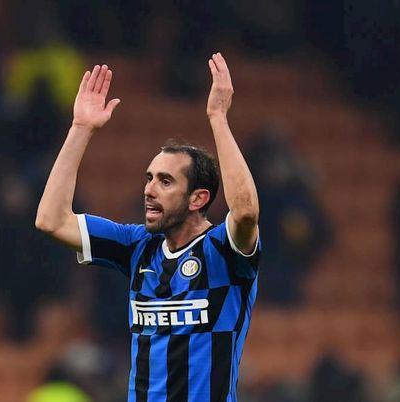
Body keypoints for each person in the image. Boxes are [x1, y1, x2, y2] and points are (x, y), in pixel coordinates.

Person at [36, 53, 261, 401]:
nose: (149, 189)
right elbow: (51, 220)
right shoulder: (137, 245)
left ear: (198, 198)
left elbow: (245, 211)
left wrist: (218, 119)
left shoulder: (225, 252)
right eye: (149, 178)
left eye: (165, 181)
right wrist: (80, 129)